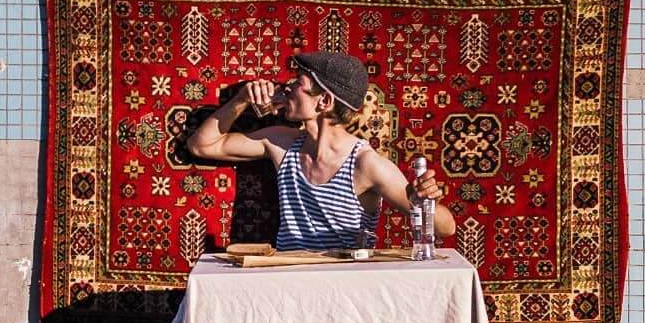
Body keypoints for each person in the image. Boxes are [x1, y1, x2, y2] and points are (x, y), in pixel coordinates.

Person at [186, 51, 455, 251]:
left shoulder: (365, 164)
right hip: (286, 281)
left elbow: (446, 228)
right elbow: (202, 145)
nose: (285, 87)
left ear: (324, 101)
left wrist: (422, 202)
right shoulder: (282, 143)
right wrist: (243, 99)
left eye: (297, 83)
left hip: (341, 286)